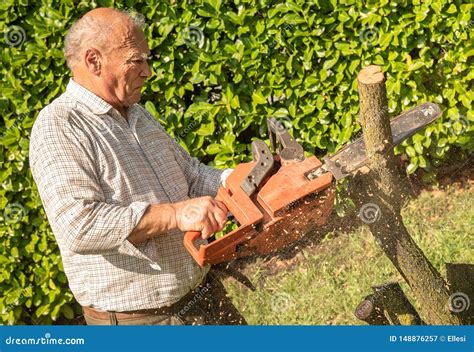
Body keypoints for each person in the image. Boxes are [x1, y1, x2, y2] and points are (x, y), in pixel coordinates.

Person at [29, 7, 246, 325]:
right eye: (136, 60)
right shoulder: (60, 124)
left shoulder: (139, 115)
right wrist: (175, 214)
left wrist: (247, 180)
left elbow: (192, 175)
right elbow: (79, 225)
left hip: (201, 297)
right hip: (141, 322)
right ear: (94, 61)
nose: (148, 72)